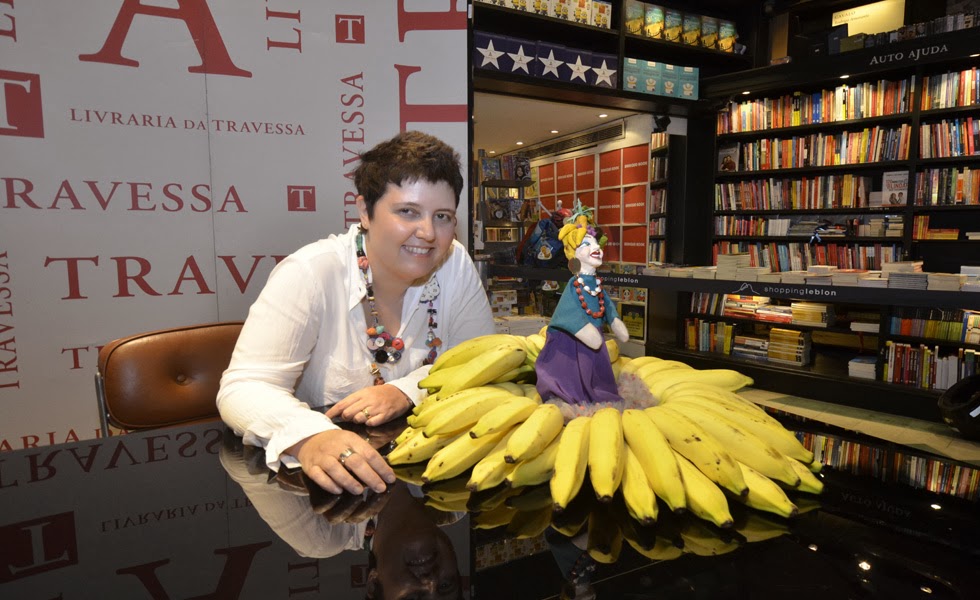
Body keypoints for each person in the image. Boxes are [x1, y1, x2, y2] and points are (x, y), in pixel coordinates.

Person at [218, 131, 495, 496]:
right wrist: (310, 437)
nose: (429, 233)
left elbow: (482, 362)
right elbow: (244, 387)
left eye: (442, 216)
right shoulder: (310, 272)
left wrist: (406, 390)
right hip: (324, 488)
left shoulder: (455, 263)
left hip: (425, 476)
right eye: (408, 212)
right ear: (365, 211)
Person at [534, 203, 629, 407]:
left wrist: (615, 321)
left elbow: (606, 304)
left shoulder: (596, 284)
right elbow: (566, 311)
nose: (596, 249)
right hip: (570, 344)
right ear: (573, 254)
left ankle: (597, 392)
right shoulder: (574, 284)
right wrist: (584, 330)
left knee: (596, 374)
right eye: (587, 244)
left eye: (596, 244)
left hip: (594, 340)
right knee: (574, 377)